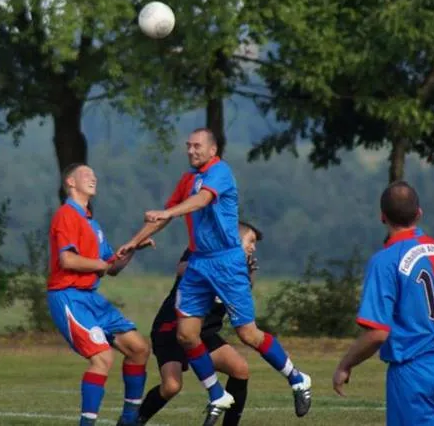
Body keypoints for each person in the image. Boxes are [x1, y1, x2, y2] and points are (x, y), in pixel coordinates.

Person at [118, 128, 312, 426]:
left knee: (248, 334)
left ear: (212, 150)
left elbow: (201, 200)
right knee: (186, 334)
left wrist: (169, 214)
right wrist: (134, 241)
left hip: (225, 261)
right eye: (188, 146)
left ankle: (297, 379)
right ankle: (216, 393)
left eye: (197, 146)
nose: (191, 150)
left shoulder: (220, 172)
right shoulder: (187, 179)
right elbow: (164, 215)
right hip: (199, 262)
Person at [332, 180, 434, 426]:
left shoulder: (385, 261)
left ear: (382, 216)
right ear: (419, 213)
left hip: (412, 371)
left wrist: (345, 365)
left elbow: (377, 333)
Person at [46, 163, 152, 426]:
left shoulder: (92, 223)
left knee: (139, 349)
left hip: (91, 298)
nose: (93, 178)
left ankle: (128, 420)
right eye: (86, 174)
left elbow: (111, 267)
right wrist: (100, 265)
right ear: (70, 182)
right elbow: (68, 260)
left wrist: (133, 248)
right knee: (103, 358)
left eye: (94, 175)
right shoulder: (66, 214)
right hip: (69, 297)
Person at [138, 220, 263, 426]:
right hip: (173, 328)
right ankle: (133, 420)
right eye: (250, 241)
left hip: (204, 333)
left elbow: (241, 295)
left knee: (240, 369)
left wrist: (246, 274)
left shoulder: (239, 264)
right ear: (235, 238)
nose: (253, 247)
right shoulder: (207, 248)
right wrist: (217, 267)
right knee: (171, 386)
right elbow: (181, 268)